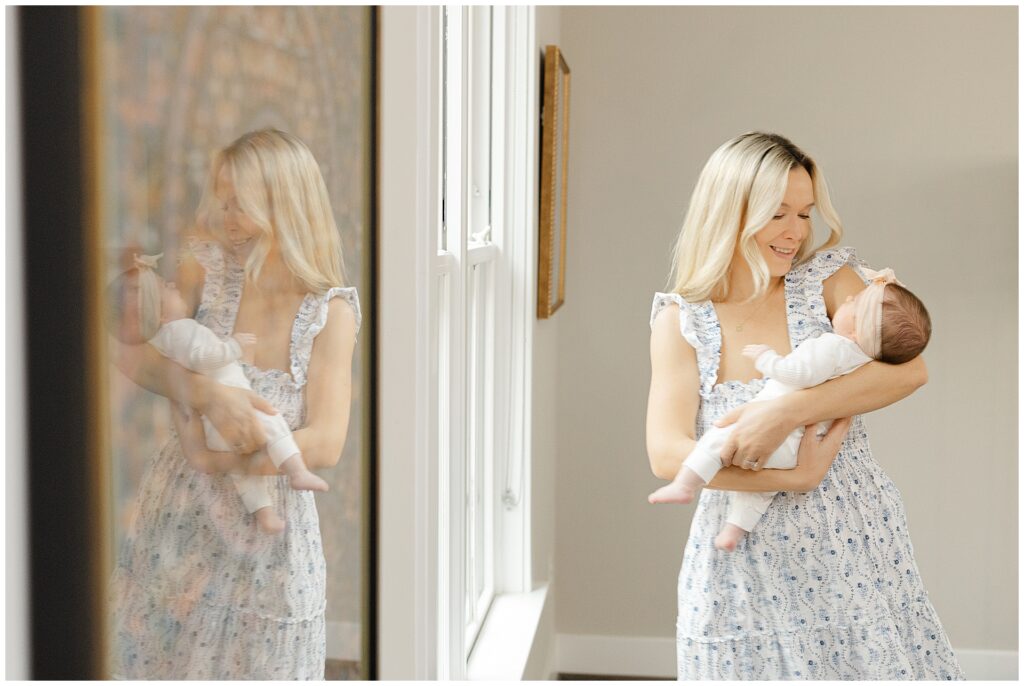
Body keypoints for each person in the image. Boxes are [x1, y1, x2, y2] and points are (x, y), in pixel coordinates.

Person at [646, 132, 964, 679]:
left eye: (805, 212)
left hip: (850, 541)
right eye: (777, 213)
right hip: (742, 558)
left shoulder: (829, 280)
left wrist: (785, 413)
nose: (796, 232)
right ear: (731, 213)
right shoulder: (682, 321)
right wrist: (792, 479)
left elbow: (911, 368)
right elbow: (667, 455)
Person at [108, 129, 360, 679]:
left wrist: (230, 459)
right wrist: (206, 394)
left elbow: (327, 440)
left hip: (268, 537)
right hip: (181, 515)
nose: (226, 219)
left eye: (239, 204)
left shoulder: (329, 314)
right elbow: (125, 352)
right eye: (220, 201)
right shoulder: (207, 271)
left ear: (284, 205)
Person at [649, 268, 931, 554]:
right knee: (758, 495)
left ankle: (685, 485)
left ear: (857, 329)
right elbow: (663, 456)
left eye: (854, 303)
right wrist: (798, 477)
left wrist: (767, 361)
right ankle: (734, 530)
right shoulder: (863, 361)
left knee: (717, 439)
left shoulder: (833, 345)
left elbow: (798, 372)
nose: (848, 298)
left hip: (786, 449)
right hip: (797, 449)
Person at [105, 253, 329, 534]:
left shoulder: (161, 342)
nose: (174, 286)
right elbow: (204, 356)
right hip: (235, 403)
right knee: (274, 424)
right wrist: (233, 347)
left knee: (243, 477)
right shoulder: (182, 331)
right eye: (167, 288)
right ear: (161, 313)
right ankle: (298, 472)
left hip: (211, 431)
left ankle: (265, 514)